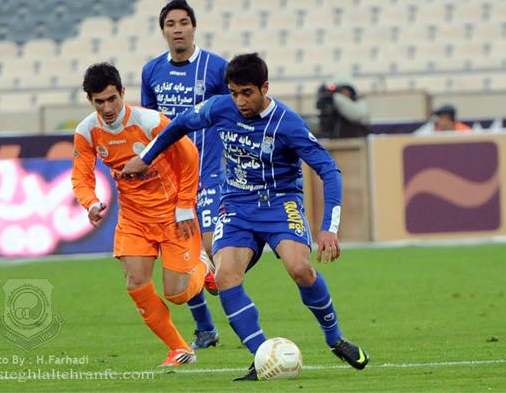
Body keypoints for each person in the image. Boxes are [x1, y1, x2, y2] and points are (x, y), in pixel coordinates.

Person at [123, 53, 370, 380]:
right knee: (225, 278)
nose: (239, 101)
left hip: (281, 204)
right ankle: (261, 355)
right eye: (234, 92)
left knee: (300, 268)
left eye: (247, 93)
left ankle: (335, 337)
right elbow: (180, 124)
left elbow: (329, 169)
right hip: (237, 204)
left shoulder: (287, 123)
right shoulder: (220, 107)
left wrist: (329, 228)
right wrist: (146, 157)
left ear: (264, 87)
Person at [71, 62, 217, 367]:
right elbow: (81, 176)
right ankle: (179, 349)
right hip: (134, 218)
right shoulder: (86, 131)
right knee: (135, 284)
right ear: (90, 100)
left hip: (173, 213)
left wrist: (183, 205)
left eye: (113, 98)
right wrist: (90, 203)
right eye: (100, 101)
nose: (108, 107)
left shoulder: (150, 121)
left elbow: (189, 156)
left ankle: (203, 266)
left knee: (177, 294)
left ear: (123, 92)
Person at [141, 0, 228, 350]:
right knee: (181, 256)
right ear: (163, 30)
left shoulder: (216, 67)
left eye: (183, 22)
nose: (177, 29)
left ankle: (235, 315)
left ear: (194, 27)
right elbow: (150, 124)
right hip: (171, 180)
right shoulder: (151, 71)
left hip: (208, 172)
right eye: (171, 24)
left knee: (211, 249)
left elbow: (231, 112)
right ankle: (205, 327)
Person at [316, 74, 369, 138]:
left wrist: (336, 97)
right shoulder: (332, 105)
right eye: (340, 90)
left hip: (355, 142)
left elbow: (357, 115)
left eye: (346, 90)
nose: (344, 93)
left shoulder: (358, 103)